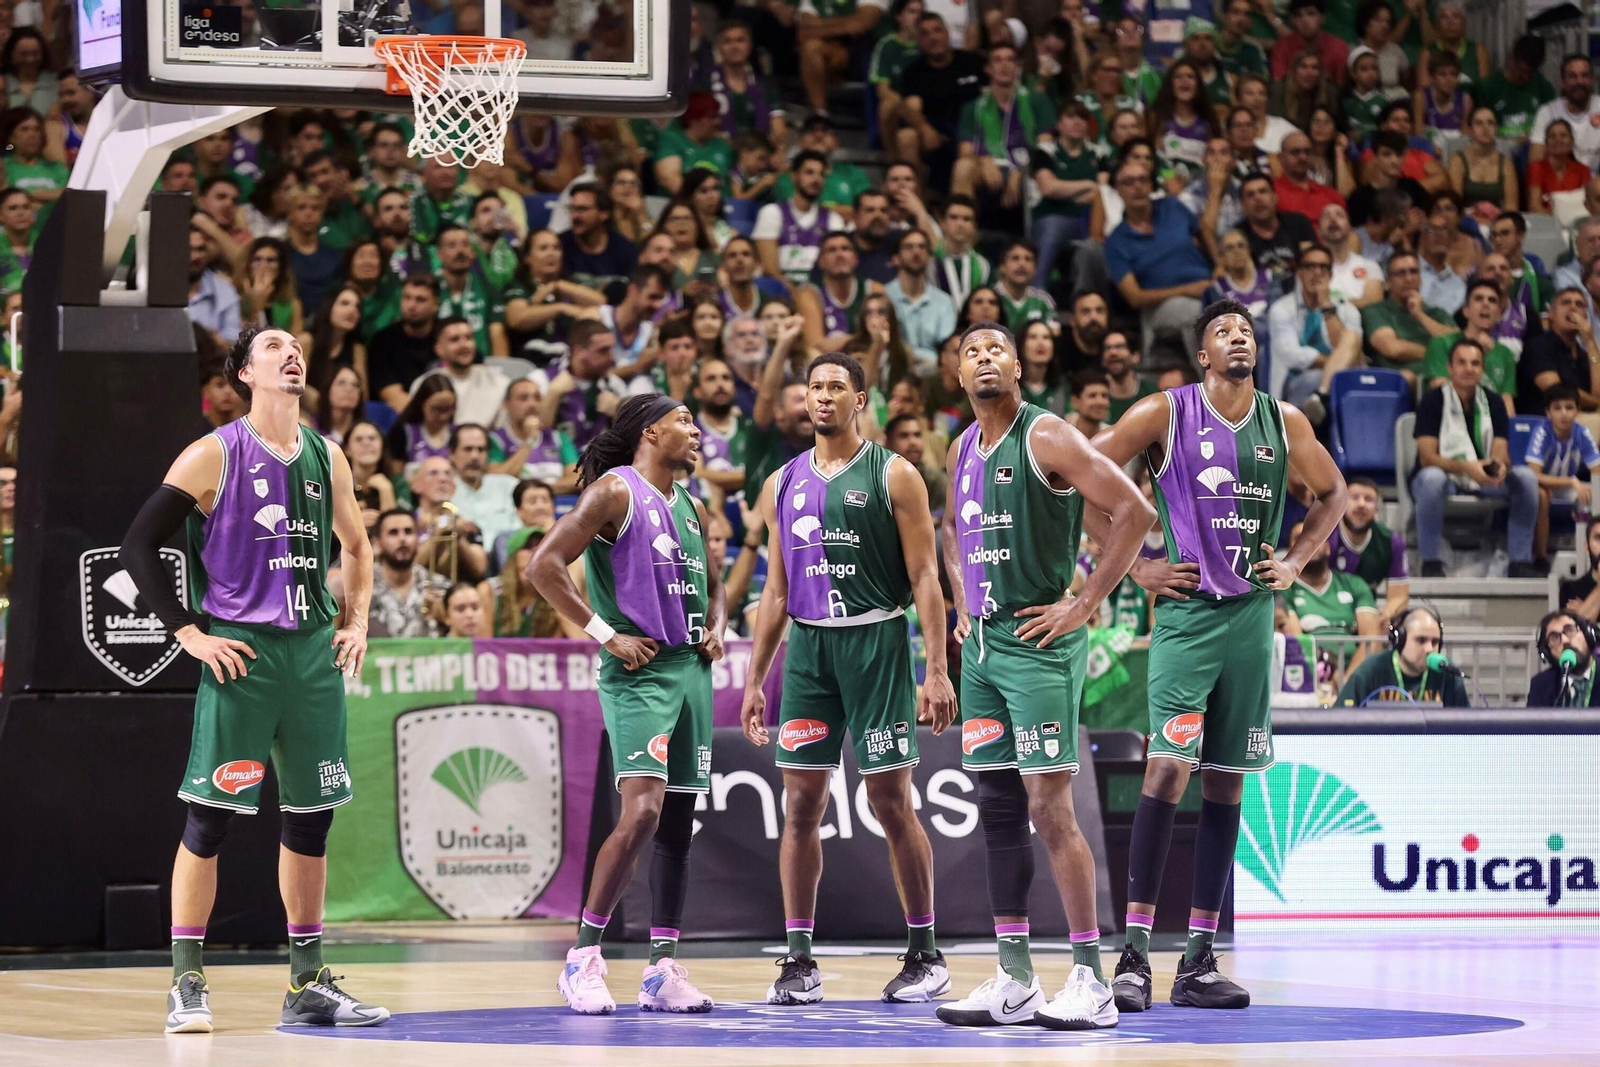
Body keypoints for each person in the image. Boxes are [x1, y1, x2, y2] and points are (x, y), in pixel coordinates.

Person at [119, 327, 386, 1033]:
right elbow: (138, 543)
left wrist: (356, 621)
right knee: (209, 820)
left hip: (311, 656)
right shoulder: (214, 453)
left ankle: (306, 981)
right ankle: (187, 981)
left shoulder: (328, 456)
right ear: (245, 372)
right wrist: (188, 631)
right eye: (274, 346)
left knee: (311, 820)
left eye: (298, 345)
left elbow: (357, 545)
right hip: (244, 655)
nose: (292, 352)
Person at [1089, 298, 1347, 1012]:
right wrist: (1135, 565)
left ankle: (1199, 958)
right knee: (1168, 768)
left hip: (1250, 623)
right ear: (1203, 355)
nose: (1238, 338)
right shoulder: (1162, 413)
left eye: (1246, 331)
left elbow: (1333, 493)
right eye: (1222, 333)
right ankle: (1134, 954)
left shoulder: (1284, 420)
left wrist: (1295, 560)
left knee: (1227, 786)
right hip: (1186, 622)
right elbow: (1074, 476)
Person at [930, 320, 1151, 1030]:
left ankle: (1089, 977)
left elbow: (1133, 510)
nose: (984, 358)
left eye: (996, 348)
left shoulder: (1046, 434)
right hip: (986, 648)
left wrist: (1084, 601)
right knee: (997, 807)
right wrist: (964, 599)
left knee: (1048, 807)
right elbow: (950, 527)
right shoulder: (962, 445)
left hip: (1039, 641)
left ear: (1019, 367)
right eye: (972, 351)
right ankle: (1015, 975)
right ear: (957, 374)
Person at [740, 352, 954, 1006]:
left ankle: (925, 951)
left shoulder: (896, 474)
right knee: (800, 803)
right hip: (808, 653)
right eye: (815, 386)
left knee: (893, 802)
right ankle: (799, 958)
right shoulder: (780, 483)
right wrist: (756, 677)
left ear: (861, 399)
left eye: (837, 386)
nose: (824, 396)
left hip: (877, 643)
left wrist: (936, 667)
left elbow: (925, 576)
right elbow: (775, 590)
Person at [527, 393, 725, 1015]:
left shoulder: (691, 503)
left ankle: (662, 969)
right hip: (639, 673)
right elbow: (544, 564)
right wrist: (604, 633)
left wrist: (717, 623)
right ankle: (583, 956)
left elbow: (714, 581)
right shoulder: (616, 492)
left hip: (691, 669)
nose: (695, 432)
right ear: (648, 431)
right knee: (641, 812)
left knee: (676, 827)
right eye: (684, 422)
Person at [1412, 337, 1540, 578]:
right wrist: (1467, 468)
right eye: (1462, 362)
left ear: (1482, 369)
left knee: (1525, 478)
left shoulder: (1494, 402)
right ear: (1450, 368)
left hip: (1485, 477)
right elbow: (1427, 458)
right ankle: (1430, 561)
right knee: (1431, 478)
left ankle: (1519, 561)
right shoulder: (1432, 400)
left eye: (1475, 363)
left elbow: (1501, 449)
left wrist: (1499, 467)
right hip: (1446, 478)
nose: (1469, 369)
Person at [1104, 157, 1214, 368]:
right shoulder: (1116, 241)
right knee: (1200, 314)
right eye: (1128, 182)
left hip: (1207, 288)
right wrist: (1188, 289)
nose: (1137, 186)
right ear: (1118, 190)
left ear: (1151, 184)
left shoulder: (1173, 207)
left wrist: (1219, 266)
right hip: (1160, 306)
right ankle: (1215, 391)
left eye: (1142, 180)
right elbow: (1134, 297)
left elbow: (1204, 232)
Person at [1282, 519, 1382, 676]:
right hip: (1309, 673)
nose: (1307, 543)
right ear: (1289, 551)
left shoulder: (1354, 584)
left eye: (1315, 536)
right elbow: (1297, 643)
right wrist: (1327, 676)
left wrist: (1348, 682)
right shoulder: (1284, 590)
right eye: (1299, 538)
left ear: (1328, 547)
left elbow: (1371, 640)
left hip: (1355, 673)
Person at [1267, 243, 1362, 406]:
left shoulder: (1347, 309)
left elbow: (1350, 347)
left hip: (1337, 381)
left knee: (1352, 337)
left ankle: (1321, 396)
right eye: (1310, 266)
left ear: (1331, 275)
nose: (1317, 272)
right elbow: (1292, 356)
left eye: (1323, 267)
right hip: (1296, 380)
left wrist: (1326, 307)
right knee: (1317, 378)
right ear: (1300, 273)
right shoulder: (1281, 309)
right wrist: (1336, 363)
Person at [1337, 605, 1468, 706]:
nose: (1429, 649)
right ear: (1400, 640)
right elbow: (1340, 721)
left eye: (1435, 642)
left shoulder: (1448, 673)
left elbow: (1467, 730)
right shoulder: (1371, 670)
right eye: (1421, 640)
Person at [753, 150, 846, 289]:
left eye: (821, 174)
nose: (816, 179)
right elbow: (770, 270)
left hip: (819, 294)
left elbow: (837, 268)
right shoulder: (772, 213)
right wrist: (800, 296)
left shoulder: (833, 220)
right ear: (794, 176)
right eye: (809, 172)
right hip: (781, 294)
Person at [1527, 385, 1600, 561]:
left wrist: (1587, 489)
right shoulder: (1541, 432)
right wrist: (1571, 482)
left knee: (1592, 494)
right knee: (1542, 496)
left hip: (1567, 486)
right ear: (1548, 412)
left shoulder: (1582, 433)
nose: (1564, 414)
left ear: (1578, 411)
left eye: (1569, 408)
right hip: (1541, 486)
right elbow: (1533, 475)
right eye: (1557, 408)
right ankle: (1540, 558)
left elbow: (1597, 472)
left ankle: (1589, 557)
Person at [1361, 252, 1456, 382]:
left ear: (1421, 278)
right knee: (1408, 377)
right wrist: (1438, 353)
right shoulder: (1376, 311)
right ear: (1388, 282)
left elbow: (1456, 345)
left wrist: (1419, 314)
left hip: (1441, 375)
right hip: (1401, 381)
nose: (1409, 278)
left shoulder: (1437, 313)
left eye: (1414, 272)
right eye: (1401, 273)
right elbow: (1392, 348)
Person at [1421, 279, 1517, 404]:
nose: (1486, 304)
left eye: (1492, 300)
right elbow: (1441, 393)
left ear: (1499, 315)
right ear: (1466, 311)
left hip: (1489, 421)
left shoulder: (1505, 354)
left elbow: (1506, 402)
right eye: (1478, 299)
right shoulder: (1441, 344)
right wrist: (1478, 354)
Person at [1330, 476, 1410, 617]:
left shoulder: (1391, 542)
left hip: (1366, 610)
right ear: (1341, 503)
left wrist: (1385, 615)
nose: (1361, 504)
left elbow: (1399, 597)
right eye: (1354, 497)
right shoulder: (1325, 537)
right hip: (1326, 610)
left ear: (1377, 509)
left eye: (1368, 499)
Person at [1517, 286, 1600, 417]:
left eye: (1579, 304)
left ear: (1585, 316)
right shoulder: (1538, 346)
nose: (1573, 308)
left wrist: (1590, 342)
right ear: (1551, 314)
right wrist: (1597, 403)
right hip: (1542, 424)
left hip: (1580, 425)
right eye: (1566, 302)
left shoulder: (1584, 355)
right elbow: (1557, 392)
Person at [368, 508, 450, 638]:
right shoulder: (361, 586)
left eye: (408, 531)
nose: (402, 538)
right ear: (378, 543)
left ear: (418, 541)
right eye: (393, 533)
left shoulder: (440, 587)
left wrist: (445, 620)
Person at [886, 229, 957, 374]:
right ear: (897, 257)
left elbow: (947, 348)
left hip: (935, 374)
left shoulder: (944, 301)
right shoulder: (884, 296)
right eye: (909, 247)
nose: (916, 252)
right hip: (894, 370)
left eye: (922, 247)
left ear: (930, 256)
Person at [1533, 55, 1600, 172]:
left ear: (1592, 80)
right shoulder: (1547, 113)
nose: (1579, 81)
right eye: (1572, 76)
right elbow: (1535, 165)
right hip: (1560, 183)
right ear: (1563, 82)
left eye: (1585, 75)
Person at [1527, 611, 1600, 707]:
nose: (1565, 641)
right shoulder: (1541, 685)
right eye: (1554, 637)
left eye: (1570, 630)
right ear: (1548, 653)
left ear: (1587, 635)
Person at [1102, 330, 1157, 424]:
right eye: (1107, 348)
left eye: (1119, 347)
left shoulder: (1151, 394)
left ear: (1135, 356)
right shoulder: (1094, 393)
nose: (1112, 352)